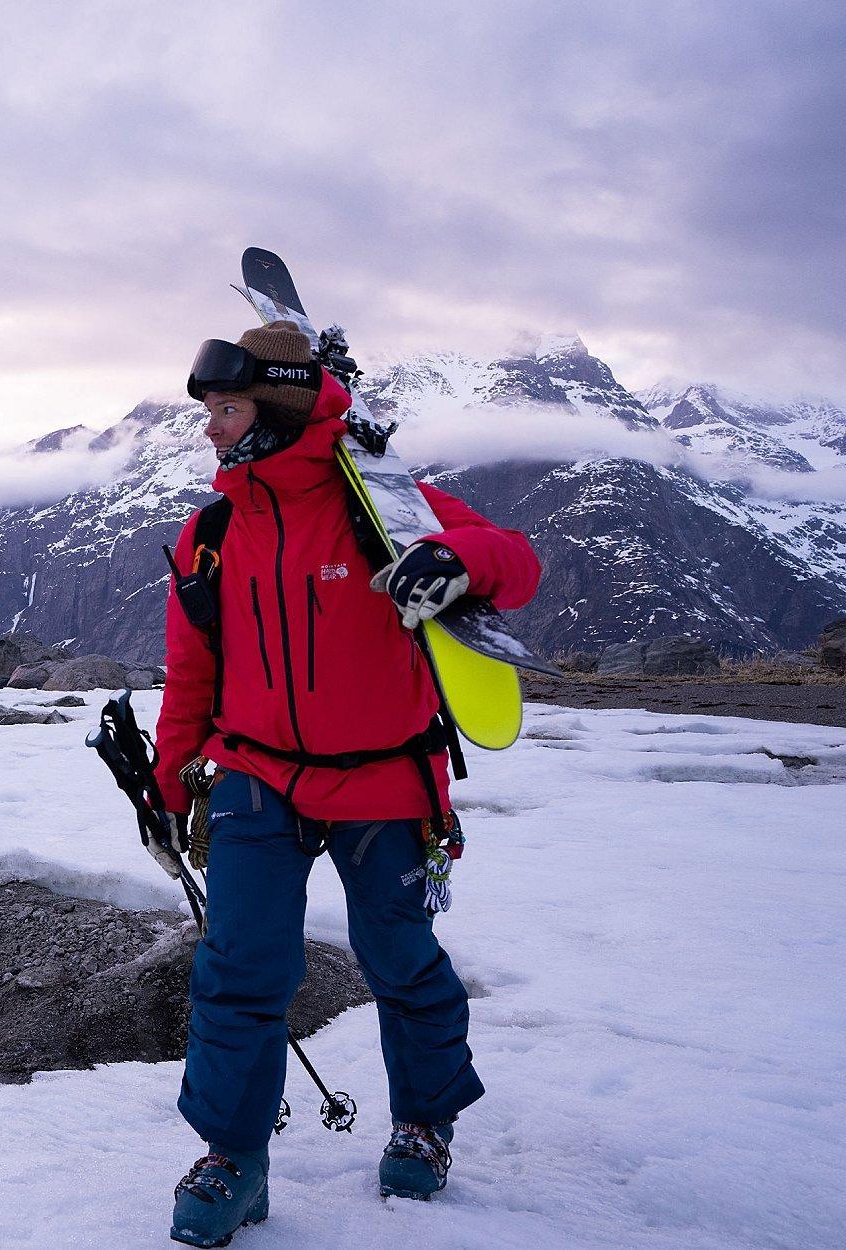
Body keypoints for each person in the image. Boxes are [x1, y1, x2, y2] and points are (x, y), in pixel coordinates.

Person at [154, 321, 540, 1246]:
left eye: (227, 409)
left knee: (401, 963)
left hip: (384, 782)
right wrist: (172, 780)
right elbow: (193, 671)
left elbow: (516, 563)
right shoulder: (212, 531)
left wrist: (460, 560)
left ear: (280, 406)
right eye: (207, 411)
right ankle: (234, 1160)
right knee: (238, 972)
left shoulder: (386, 505)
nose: (209, 429)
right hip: (255, 777)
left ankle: (424, 1123)